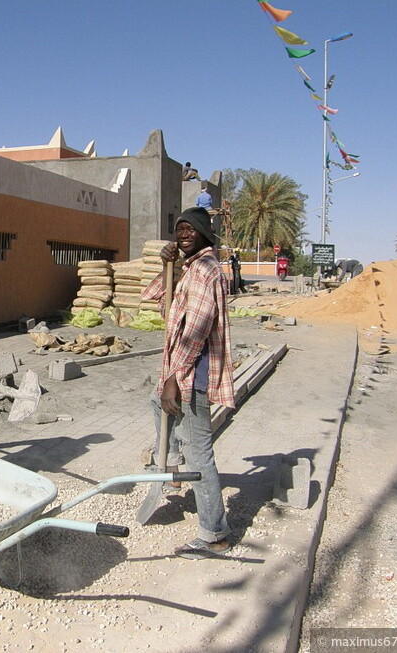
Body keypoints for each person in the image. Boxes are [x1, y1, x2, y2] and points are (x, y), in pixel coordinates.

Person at [142, 207, 235, 560]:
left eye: (189, 230)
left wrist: (173, 379)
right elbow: (154, 297)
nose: (182, 234)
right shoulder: (190, 268)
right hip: (181, 370)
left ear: (203, 233)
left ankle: (214, 534)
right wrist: (170, 265)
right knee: (156, 406)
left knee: (202, 455)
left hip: (193, 374)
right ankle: (173, 464)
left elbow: (194, 333)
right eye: (178, 229)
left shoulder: (206, 271)